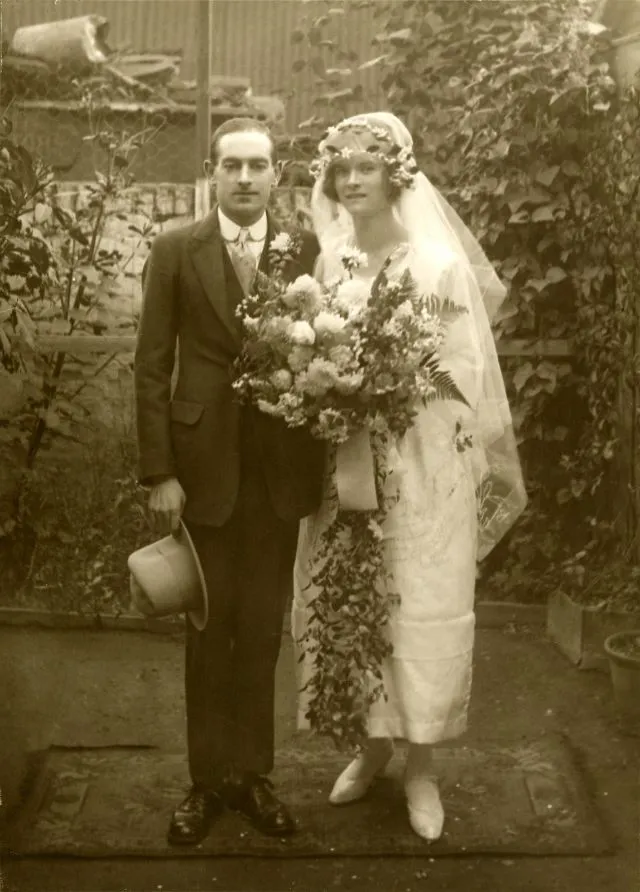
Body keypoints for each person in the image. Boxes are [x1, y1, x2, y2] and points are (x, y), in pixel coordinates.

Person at [292, 112, 527, 841]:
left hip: (422, 468)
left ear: (397, 175)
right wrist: (326, 394)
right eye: (343, 169)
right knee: (352, 602)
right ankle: (370, 748)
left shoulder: (438, 265)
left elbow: (461, 372)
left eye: (367, 166)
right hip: (345, 461)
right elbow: (305, 353)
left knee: (419, 604)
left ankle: (420, 764)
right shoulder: (331, 262)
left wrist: (391, 393)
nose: (353, 179)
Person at [134, 117, 324, 845]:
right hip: (203, 473)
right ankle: (205, 785)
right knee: (209, 635)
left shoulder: (301, 247)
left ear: (278, 175)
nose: (246, 179)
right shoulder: (177, 249)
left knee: (261, 632)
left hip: (278, 475)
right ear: (212, 173)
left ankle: (253, 777)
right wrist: (160, 472)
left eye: (259, 166)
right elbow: (152, 364)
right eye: (232, 166)